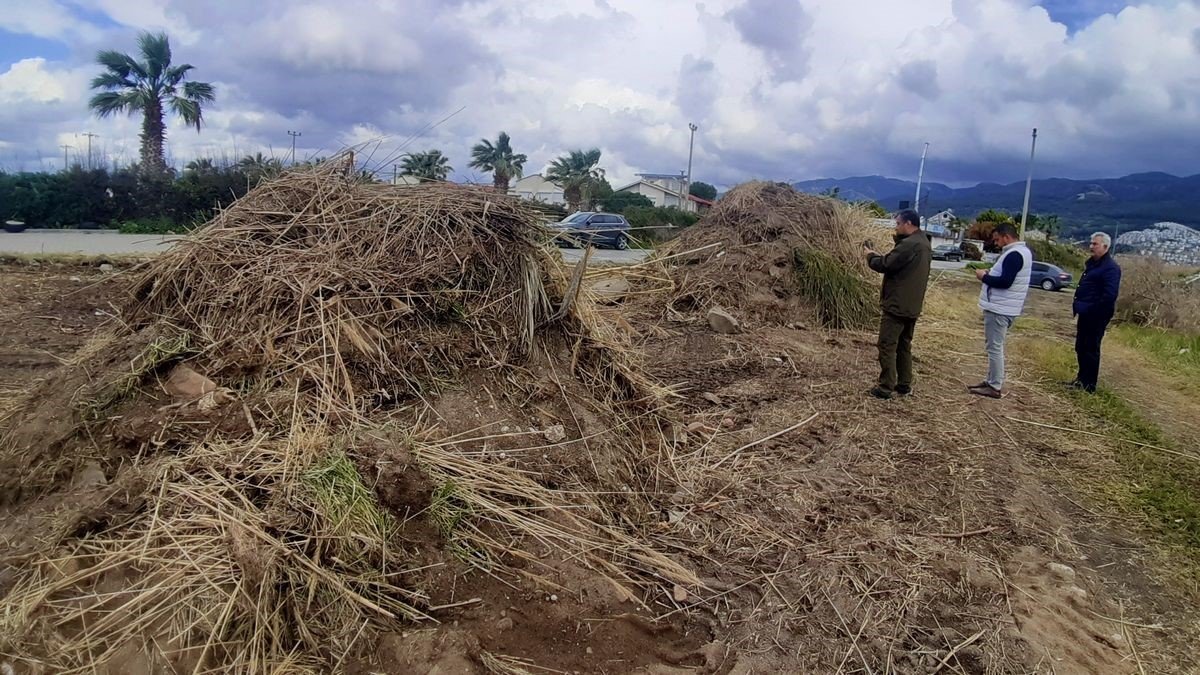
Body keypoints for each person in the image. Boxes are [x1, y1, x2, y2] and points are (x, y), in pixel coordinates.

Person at [864, 209, 932, 399]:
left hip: (897, 304)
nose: (896, 227)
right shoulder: (923, 243)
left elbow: (885, 264)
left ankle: (886, 386)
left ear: (908, 223)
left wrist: (870, 256)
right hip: (912, 305)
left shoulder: (909, 244)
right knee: (904, 345)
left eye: (898, 224)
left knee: (886, 344)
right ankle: (904, 384)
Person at [968, 223, 1032, 399]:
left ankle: (995, 385)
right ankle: (990, 380)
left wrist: (984, 277)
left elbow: (1005, 282)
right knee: (994, 346)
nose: (996, 243)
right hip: (1006, 307)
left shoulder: (1014, 255)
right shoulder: (1021, 253)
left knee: (995, 347)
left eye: (997, 239)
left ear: (1006, 236)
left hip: (1000, 309)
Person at [1070, 232, 1121, 393]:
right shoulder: (1092, 264)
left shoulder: (1111, 268)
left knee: (1091, 348)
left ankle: (1089, 385)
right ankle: (1081, 379)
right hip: (1085, 312)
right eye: (1091, 243)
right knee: (1081, 347)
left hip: (1096, 315)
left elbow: (1110, 295)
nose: (1091, 247)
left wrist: (1093, 309)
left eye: (1095, 244)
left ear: (1105, 247)